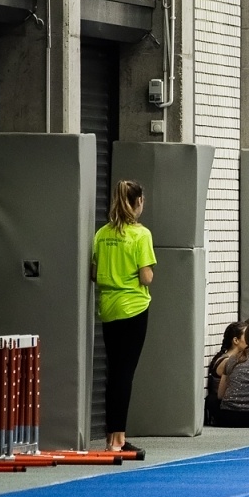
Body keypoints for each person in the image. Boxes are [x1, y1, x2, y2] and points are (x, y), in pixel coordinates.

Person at [90, 179, 155, 457]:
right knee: (124, 374)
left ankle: (110, 438)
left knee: (114, 372)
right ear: (138, 201)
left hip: (108, 308)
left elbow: (94, 273)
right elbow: (146, 276)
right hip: (133, 308)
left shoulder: (102, 234)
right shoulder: (140, 235)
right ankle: (119, 439)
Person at [204, 321, 244, 427]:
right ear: (236, 340)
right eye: (247, 336)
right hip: (224, 405)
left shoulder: (233, 358)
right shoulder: (228, 360)